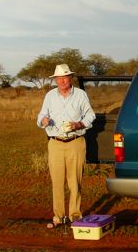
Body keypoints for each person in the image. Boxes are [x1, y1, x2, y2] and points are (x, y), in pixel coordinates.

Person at [37, 64, 95, 229]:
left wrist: (79, 124)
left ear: (71, 78)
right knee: (57, 182)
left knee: (74, 182)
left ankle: (74, 216)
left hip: (76, 141)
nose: (62, 81)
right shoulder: (49, 96)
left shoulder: (81, 95)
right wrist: (43, 121)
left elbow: (91, 115)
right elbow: (41, 115)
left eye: (65, 77)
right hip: (55, 142)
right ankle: (58, 216)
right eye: (59, 78)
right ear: (55, 80)